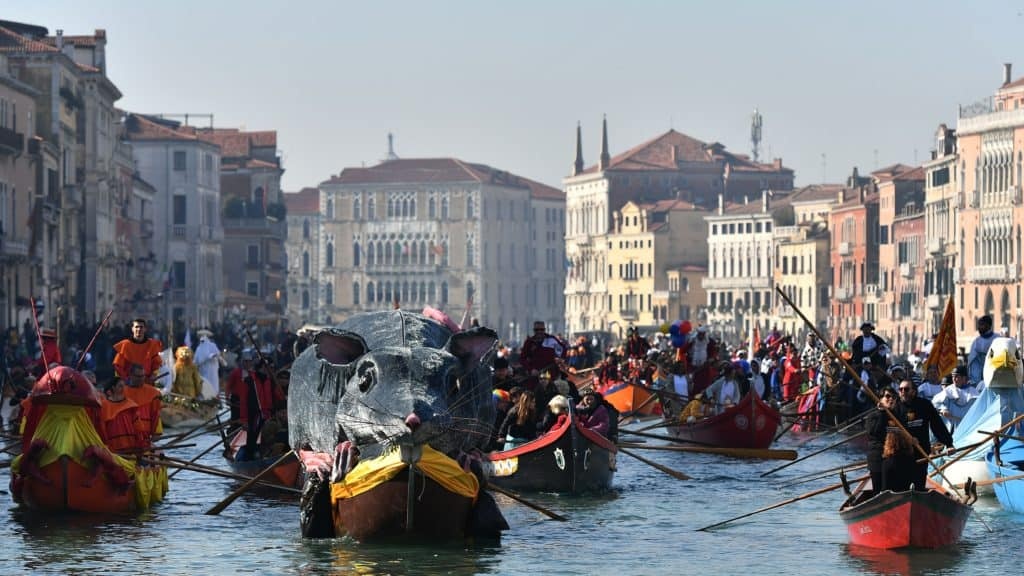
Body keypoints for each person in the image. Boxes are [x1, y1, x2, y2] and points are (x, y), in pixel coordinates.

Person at [897, 378, 954, 491]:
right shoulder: (895, 408)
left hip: (921, 451)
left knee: (919, 485)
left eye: (906, 389)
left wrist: (949, 443)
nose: (903, 392)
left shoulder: (924, 405)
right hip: (901, 453)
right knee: (902, 485)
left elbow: (937, 425)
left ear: (914, 391)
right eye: (900, 389)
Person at [228, 349, 284, 460]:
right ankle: (251, 457)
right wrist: (244, 420)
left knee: (271, 435)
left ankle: (268, 454)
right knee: (252, 438)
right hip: (254, 414)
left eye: (271, 368)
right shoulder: (249, 381)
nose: (269, 370)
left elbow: (279, 398)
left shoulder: (270, 381)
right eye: (267, 368)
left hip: (269, 414)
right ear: (260, 368)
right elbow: (243, 401)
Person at [865, 387, 901, 494]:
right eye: (887, 396)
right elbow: (874, 433)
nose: (891, 399)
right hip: (877, 458)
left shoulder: (897, 416)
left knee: (891, 489)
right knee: (878, 490)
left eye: (893, 397)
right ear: (880, 399)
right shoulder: (873, 416)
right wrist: (882, 412)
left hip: (893, 458)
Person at [99, 378, 145, 452]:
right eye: (120, 386)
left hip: (131, 446)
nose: (123, 389)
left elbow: (138, 427)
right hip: (113, 448)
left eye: (124, 386)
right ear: (113, 388)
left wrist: (140, 443)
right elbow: (102, 429)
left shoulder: (131, 405)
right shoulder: (104, 406)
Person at [122, 363, 163, 445]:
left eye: (143, 376)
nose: (141, 379)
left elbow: (156, 414)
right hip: (127, 435)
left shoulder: (153, 393)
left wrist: (157, 432)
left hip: (145, 436)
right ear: (131, 375)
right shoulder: (122, 392)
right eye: (138, 376)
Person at [112, 318, 163, 383]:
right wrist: (126, 379)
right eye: (136, 327)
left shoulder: (152, 345)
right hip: (129, 384)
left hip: (146, 383)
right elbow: (118, 366)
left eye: (141, 327)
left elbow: (157, 364)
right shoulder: (125, 345)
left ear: (145, 329)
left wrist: (154, 374)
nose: (139, 329)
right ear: (132, 329)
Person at [932, 365, 983, 430]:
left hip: (968, 426)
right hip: (952, 426)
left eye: (956, 376)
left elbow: (979, 408)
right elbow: (935, 402)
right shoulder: (948, 390)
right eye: (953, 376)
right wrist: (943, 409)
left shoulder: (974, 392)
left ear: (964, 378)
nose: (953, 379)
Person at [967, 315, 997, 386]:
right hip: (978, 379)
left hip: (994, 376)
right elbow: (972, 362)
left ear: (989, 325)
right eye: (979, 325)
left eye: (982, 325)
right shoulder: (976, 342)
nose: (979, 327)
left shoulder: (997, 339)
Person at [194, 328, 224, 397]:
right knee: (205, 387)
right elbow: (197, 360)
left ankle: (214, 398)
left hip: (212, 371)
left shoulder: (212, 345)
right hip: (203, 372)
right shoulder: (199, 348)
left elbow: (218, 355)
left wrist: (221, 360)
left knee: (213, 386)